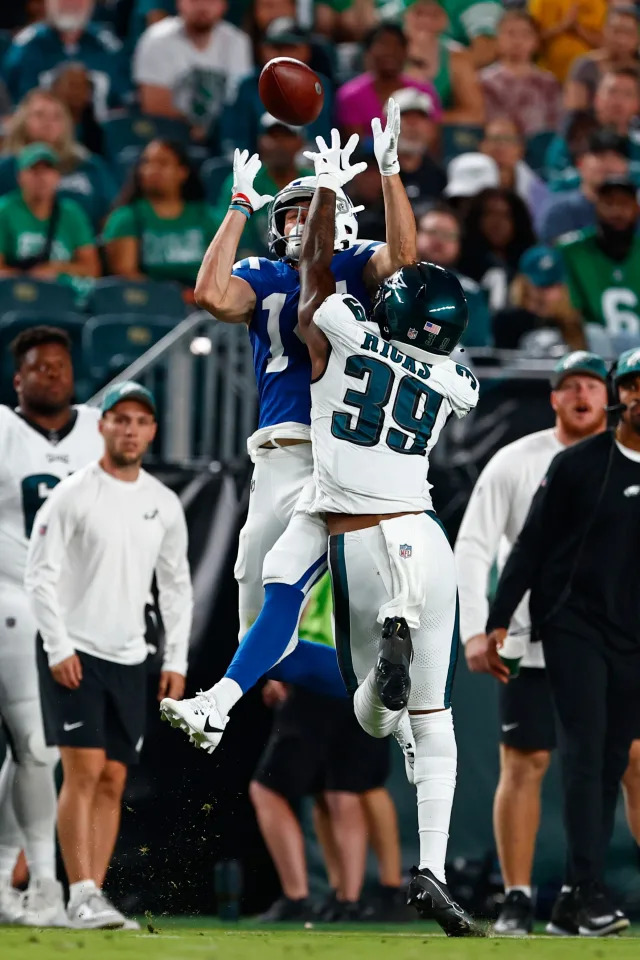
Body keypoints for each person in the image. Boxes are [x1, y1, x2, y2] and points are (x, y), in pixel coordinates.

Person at [282, 132, 482, 934]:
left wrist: (331, 195)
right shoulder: (456, 378)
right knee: (435, 720)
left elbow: (318, 284)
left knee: (372, 718)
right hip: (428, 539)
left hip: (360, 535)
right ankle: (430, 866)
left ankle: (382, 660)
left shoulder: (343, 329)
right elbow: (425, 322)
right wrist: (395, 176)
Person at [160, 106, 418, 727]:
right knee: (261, 632)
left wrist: (388, 171)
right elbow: (212, 296)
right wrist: (238, 208)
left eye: (311, 211)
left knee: (288, 585)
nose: (299, 224)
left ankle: (218, 709)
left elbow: (405, 256)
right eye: (291, 215)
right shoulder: (264, 273)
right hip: (272, 458)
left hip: (336, 451)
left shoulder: (355, 266)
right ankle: (382, 697)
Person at [24, 380, 192, 930]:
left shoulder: (163, 503)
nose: (130, 429)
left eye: (141, 420)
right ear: (102, 426)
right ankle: (83, 891)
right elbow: (39, 576)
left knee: (114, 778)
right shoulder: (72, 493)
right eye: (120, 419)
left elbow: (175, 587)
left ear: (152, 431)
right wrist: (57, 646)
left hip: (130, 657)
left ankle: (88, 900)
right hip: (75, 653)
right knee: (85, 769)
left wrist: (175, 660)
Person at [485, 348, 640, 936]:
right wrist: (499, 618)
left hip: (632, 634)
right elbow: (527, 546)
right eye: (633, 384)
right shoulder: (578, 464)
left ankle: (577, 895)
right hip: (571, 625)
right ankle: (588, 890)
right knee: (585, 752)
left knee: (611, 760)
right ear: (619, 395)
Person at [455, 350, 609, 935]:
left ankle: (582, 894)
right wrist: (476, 628)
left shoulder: (625, 462)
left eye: (592, 385)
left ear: (610, 396)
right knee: (525, 763)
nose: (581, 395)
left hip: (607, 643)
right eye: (570, 385)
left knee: (616, 766)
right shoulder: (516, 461)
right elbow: (473, 546)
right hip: (526, 638)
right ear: (552, 397)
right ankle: (517, 897)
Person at [0, 326, 104, 928]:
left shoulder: (96, 427)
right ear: (19, 379)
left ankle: (4, 882)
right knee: (38, 747)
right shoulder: (5, 431)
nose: (51, 375)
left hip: (76, 607)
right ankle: (43, 882)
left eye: (60, 366)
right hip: (14, 597)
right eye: (39, 368)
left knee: (29, 755)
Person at [251, 574, 396, 923]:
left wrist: (278, 665)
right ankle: (347, 898)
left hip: (322, 670)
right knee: (341, 791)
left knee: (270, 789)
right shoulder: (387, 544)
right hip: (366, 673)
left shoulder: (318, 537)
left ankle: (299, 895)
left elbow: (296, 603)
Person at [102, 138, 217, 299]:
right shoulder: (126, 218)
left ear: (182, 172)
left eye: (163, 163)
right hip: (151, 302)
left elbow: (222, 268)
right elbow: (126, 274)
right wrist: (176, 297)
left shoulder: (204, 216)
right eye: (147, 163)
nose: (152, 170)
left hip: (203, 301)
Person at [133, 0, 252, 143]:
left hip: (223, 132)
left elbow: (240, 98)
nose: (202, 7)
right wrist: (196, 123)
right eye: (194, 1)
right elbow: (153, 103)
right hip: (171, 131)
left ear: (224, 5)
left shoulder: (237, 41)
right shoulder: (156, 39)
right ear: (179, 3)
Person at [0, 90, 117, 231]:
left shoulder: (88, 165)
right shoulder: (6, 168)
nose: (48, 123)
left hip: (84, 247)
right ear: (23, 121)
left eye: (56, 117)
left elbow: (112, 214)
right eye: (39, 115)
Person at [220, 17, 332, 159]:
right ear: (262, 50)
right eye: (276, 47)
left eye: (291, 48)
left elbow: (323, 137)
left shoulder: (320, 84)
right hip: (258, 168)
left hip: (308, 167)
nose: (282, 55)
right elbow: (235, 140)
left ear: (306, 51)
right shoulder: (246, 85)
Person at [3, 0, 130, 119]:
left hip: (100, 137)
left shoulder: (108, 44)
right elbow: (11, 106)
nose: (71, 3)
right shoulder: (26, 46)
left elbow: (124, 100)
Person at [214, 115, 312, 260]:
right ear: (260, 142)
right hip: (257, 268)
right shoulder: (244, 182)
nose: (278, 144)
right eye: (272, 136)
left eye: (286, 137)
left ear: (300, 142)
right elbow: (231, 237)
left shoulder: (314, 182)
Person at [0, 143, 100, 284]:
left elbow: (91, 269)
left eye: (47, 170)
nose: (41, 177)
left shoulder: (72, 213)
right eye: (34, 170)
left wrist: (56, 268)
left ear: (57, 177)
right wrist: (28, 278)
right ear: (20, 177)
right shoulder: (4, 211)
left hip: (62, 295)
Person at [558, 176, 640, 344]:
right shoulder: (571, 251)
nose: (617, 211)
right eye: (609, 203)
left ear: (636, 208)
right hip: (588, 348)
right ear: (596, 207)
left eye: (624, 203)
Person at [336, 24, 441, 139]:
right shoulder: (351, 95)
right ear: (368, 51)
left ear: (406, 52)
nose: (391, 51)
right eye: (383, 44)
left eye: (397, 45)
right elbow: (356, 145)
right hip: (369, 157)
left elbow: (432, 140)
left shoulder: (424, 91)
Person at [545, 67, 640, 193]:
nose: (618, 101)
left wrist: (626, 170)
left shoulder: (637, 145)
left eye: (627, 94)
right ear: (597, 99)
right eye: (612, 92)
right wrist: (589, 173)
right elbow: (555, 183)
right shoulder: (571, 138)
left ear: (637, 104)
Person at [415, 202, 492, 347]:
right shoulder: (393, 280)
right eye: (432, 232)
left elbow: (477, 346)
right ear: (415, 234)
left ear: (459, 244)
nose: (439, 241)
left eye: (448, 235)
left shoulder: (470, 292)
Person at [480, 9, 561, 138]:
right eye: (510, 34)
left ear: (536, 42)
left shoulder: (548, 82)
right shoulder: (484, 81)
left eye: (525, 34)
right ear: (497, 39)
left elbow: (556, 123)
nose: (518, 41)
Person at [402, 0, 485, 125]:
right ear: (405, 16)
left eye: (434, 15)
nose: (426, 21)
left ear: (445, 20)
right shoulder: (388, 54)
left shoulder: (458, 58)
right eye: (419, 14)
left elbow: (476, 114)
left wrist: (432, 120)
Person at [539, 130, 629, 245]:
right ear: (580, 164)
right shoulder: (559, 212)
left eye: (616, 157)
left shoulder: (635, 212)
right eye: (600, 156)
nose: (609, 164)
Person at [457, 186, 536, 313]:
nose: (497, 222)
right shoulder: (461, 263)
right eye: (490, 214)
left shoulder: (529, 265)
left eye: (506, 215)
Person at [492, 246, 585, 351]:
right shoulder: (506, 322)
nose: (551, 294)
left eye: (556, 285)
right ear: (523, 285)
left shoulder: (575, 322)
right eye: (542, 286)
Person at [479, 117, 551, 234]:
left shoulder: (537, 190)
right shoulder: (469, 184)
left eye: (507, 139)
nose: (500, 146)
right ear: (482, 147)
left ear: (520, 148)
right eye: (494, 139)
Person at [565, 5, 640, 112]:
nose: (621, 40)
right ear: (605, 31)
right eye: (616, 31)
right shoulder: (585, 65)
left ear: (637, 38)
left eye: (628, 33)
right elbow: (574, 112)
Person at [529, 0, 606, 84]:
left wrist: (578, 29)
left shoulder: (597, 3)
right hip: (549, 78)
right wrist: (562, 25)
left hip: (589, 79)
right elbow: (533, 41)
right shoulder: (541, 2)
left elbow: (604, 44)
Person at [391, 88, 446, 205]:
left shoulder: (440, 175)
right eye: (405, 116)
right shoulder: (372, 171)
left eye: (420, 117)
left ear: (430, 128)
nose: (413, 125)